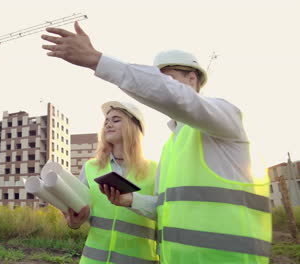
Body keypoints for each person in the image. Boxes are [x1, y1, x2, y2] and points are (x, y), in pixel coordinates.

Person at [42, 22, 272, 264]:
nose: (157, 87)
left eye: (167, 80)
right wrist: (129, 200)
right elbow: (164, 209)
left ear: (192, 78)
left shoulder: (227, 119)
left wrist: (96, 60)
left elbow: (172, 96)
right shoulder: (172, 148)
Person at [64, 101, 159, 264]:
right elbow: (82, 210)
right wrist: (74, 222)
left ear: (133, 126)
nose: (108, 124)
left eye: (116, 120)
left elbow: (163, 211)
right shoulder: (91, 167)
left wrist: (132, 200)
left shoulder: (155, 169)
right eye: (106, 121)